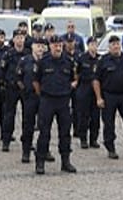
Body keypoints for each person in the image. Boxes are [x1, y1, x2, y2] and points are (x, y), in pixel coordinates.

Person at [34, 35, 77, 174]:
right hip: (47, 100)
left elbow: (74, 78)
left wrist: (68, 88)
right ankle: (40, 162)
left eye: (59, 45)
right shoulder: (43, 62)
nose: (57, 47)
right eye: (55, 45)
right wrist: (42, 94)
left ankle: (65, 161)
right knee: (44, 132)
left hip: (63, 101)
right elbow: (36, 81)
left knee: (65, 133)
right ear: (50, 46)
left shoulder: (68, 61)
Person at [95, 34, 123, 159]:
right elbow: (96, 80)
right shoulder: (103, 60)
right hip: (109, 95)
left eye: (117, 44)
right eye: (113, 44)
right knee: (109, 123)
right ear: (109, 47)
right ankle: (110, 148)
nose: (116, 46)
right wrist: (99, 98)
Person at [71, 38, 101, 150]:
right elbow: (76, 72)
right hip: (84, 87)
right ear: (88, 46)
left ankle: (94, 139)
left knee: (95, 116)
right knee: (83, 115)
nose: (93, 46)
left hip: (96, 90)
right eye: (91, 44)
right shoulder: (82, 58)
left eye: (95, 44)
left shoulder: (100, 59)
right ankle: (83, 139)